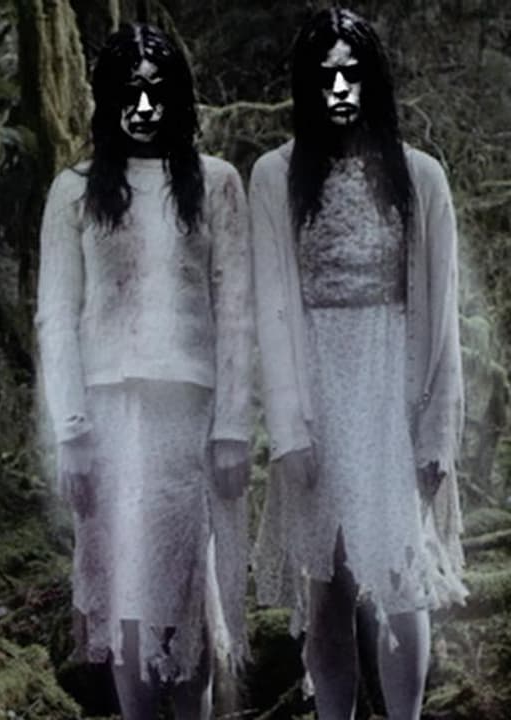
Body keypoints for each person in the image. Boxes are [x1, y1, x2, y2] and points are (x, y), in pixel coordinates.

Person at [250, 8, 467, 719]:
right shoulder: (275, 176)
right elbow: (271, 309)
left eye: (353, 75)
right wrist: (289, 431)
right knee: (329, 583)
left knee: (400, 576)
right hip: (317, 395)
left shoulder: (420, 176)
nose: (340, 90)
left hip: (391, 397)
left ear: (374, 81)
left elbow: (442, 317)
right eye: (326, 78)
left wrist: (437, 434)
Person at [36, 23, 253, 719]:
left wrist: (233, 427)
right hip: (104, 417)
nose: (144, 106)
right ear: (107, 101)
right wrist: (71, 431)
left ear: (178, 100)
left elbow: (237, 311)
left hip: (186, 416)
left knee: (185, 582)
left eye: (158, 92)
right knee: (122, 585)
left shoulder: (216, 183)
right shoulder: (73, 191)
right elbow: (56, 316)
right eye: (129, 92)